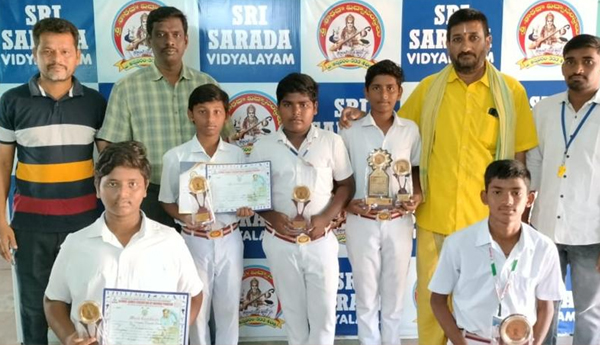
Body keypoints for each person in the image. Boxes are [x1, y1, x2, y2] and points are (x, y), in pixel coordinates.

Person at [340, 8, 538, 345]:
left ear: (488, 42)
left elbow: (518, 159)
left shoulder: (511, 92)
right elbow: (395, 127)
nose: (465, 46)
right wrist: (363, 115)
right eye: (457, 39)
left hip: (486, 222)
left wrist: (519, 215)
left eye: (473, 38)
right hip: (434, 217)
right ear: (447, 45)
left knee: (482, 304)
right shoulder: (430, 89)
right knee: (433, 307)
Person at [0, 18, 106, 345]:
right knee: (33, 309)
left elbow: (106, 166)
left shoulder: (95, 103)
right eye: (47, 50)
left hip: (85, 224)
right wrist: (1, 221)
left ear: (77, 56)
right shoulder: (12, 102)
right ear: (35, 54)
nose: (55, 58)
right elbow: (3, 164)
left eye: (64, 51)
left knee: (85, 308)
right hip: (30, 227)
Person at [43, 141, 203, 345]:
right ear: (97, 188)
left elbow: (195, 295)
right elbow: (53, 300)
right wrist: (68, 336)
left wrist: (172, 332)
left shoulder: (170, 240)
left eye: (132, 184)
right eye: (112, 184)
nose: (123, 194)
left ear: (145, 187)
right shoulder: (76, 244)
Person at [248, 73, 355, 344]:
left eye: (304, 104)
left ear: (315, 108)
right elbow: (254, 193)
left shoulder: (332, 142)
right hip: (280, 241)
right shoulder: (263, 146)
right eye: (289, 104)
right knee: (293, 315)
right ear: (278, 107)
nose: (296, 111)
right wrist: (271, 216)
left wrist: (324, 217)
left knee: (324, 316)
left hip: (320, 240)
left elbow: (346, 185)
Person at [97, 6, 221, 227]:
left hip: (204, 193)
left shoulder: (207, 84)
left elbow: (225, 139)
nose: (169, 41)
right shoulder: (127, 88)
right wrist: (128, 189)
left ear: (186, 40)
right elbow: (110, 146)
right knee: (150, 260)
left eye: (176, 35)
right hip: (149, 196)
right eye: (161, 35)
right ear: (149, 41)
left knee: (199, 260)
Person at [430, 159, 563, 345]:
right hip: (472, 341)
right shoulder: (458, 243)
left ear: (529, 199)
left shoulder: (543, 247)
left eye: (516, 193)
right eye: (497, 192)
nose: (507, 201)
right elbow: (437, 300)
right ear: (484, 197)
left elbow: (546, 306)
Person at [159, 84, 252, 345]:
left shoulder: (237, 155)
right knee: (195, 310)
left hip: (229, 239)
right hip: (192, 240)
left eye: (216, 112)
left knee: (228, 310)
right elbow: (166, 201)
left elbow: (246, 199)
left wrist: (245, 208)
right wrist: (184, 218)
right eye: (202, 112)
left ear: (225, 115)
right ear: (191, 115)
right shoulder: (175, 157)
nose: (210, 120)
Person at [339, 60, 421, 344]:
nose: (383, 96)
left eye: (390, 88)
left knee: (395, 297)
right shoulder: (350, 129)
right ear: (366, 91)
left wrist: (418, 195)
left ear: (399, 92)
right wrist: (347, 204)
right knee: (365, 297)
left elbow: (416, 168)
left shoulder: (410, 129)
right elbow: (340, 176)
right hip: (361, 222)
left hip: (398, 222)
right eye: (376, 88)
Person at [527, 34, 600, 345]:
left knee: (590, 312)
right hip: (545, 230)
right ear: (562, 68)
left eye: (587, 62)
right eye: (570, 62)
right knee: (543, 309)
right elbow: (533, 166)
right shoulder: (544, 110)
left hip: (592, 233)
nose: (578, 69)